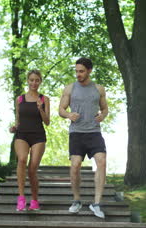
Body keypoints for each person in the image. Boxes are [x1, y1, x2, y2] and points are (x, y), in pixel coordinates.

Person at [59, 58, 108, 219]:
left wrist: (102, 116)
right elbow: (61, 109)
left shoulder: (99, 89)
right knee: (75, 165)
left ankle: (97, 204)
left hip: (94, 132)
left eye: (81, 71)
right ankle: (77, 200)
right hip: (77, 133)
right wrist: (68, 114)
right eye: (76, 71)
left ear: (89, 71)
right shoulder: (70, 88)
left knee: (101, 161)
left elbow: (105, 108)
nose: (78, 74)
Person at [9, 69, 50, 211]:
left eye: (37, 80)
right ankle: (21, 198)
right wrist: (14, 127)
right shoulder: (19, 99)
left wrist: (41, 109)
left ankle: (34, 200)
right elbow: (18, 120)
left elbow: (47, 122)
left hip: (38, 136)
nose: (34, 82)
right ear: (28, 81)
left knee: (32, 170)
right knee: (21, 159)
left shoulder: (44, 99)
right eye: (31, 80)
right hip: (22, 135)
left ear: (40, 82)